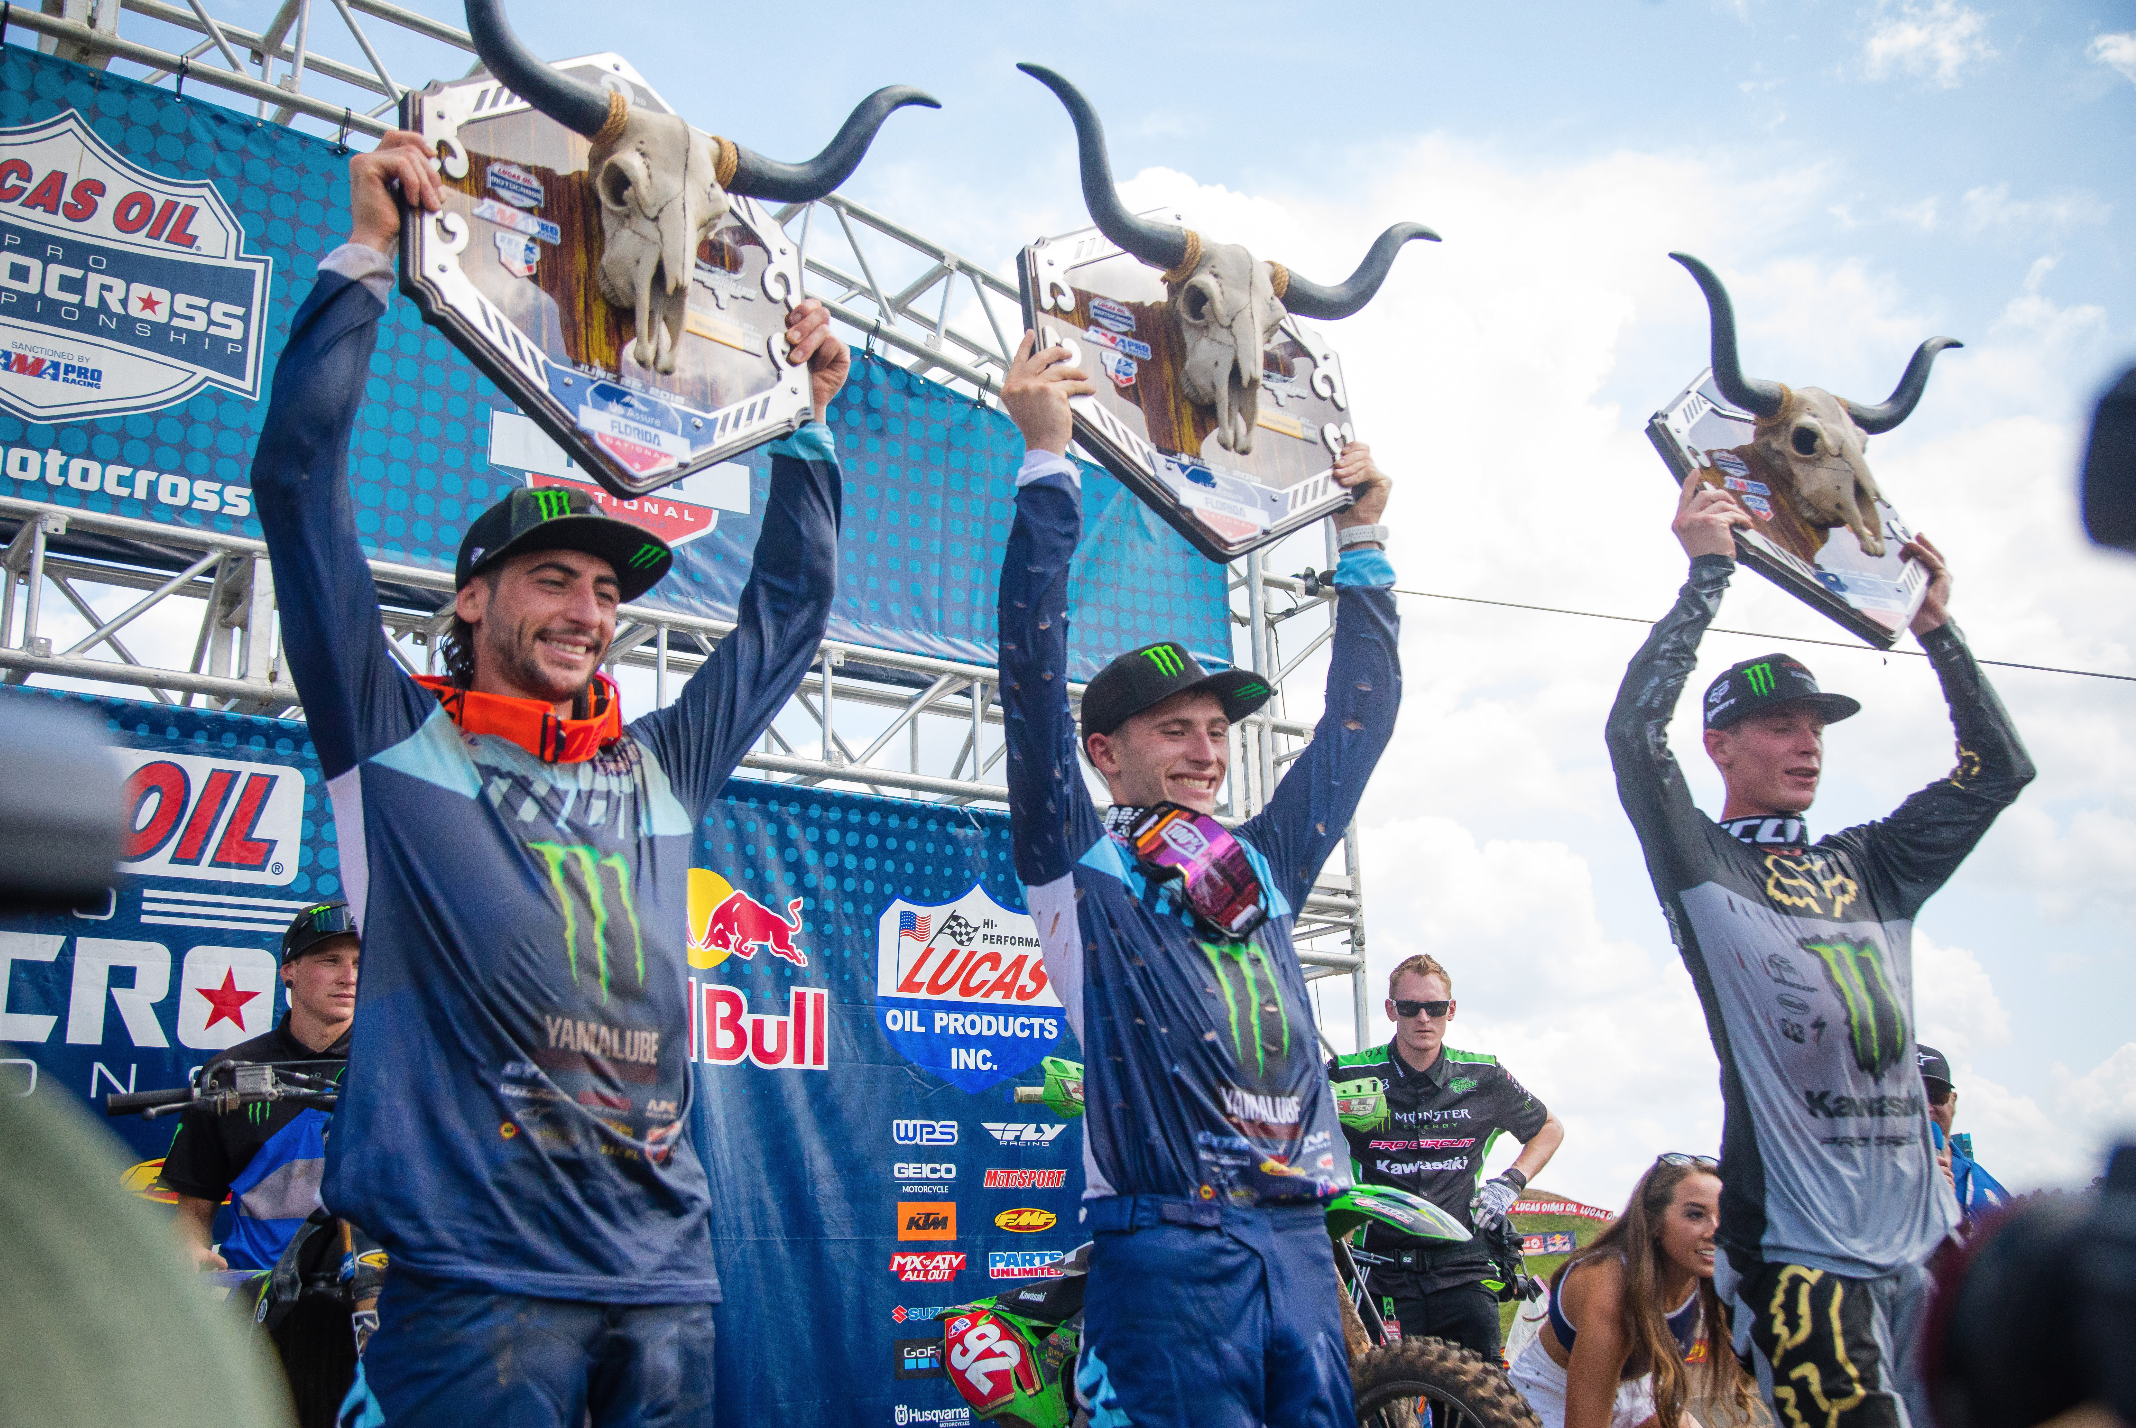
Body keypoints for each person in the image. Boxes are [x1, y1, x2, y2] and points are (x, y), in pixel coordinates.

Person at [247, 131, 850, 1426]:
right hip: (473, 1286)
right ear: (473, 599)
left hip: (664, 1276)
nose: (586, 608)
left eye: (604, 588)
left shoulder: (657, 768)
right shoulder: (394, 741)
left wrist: (808, 425)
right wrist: (362, 256)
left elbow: (786, 618)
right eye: (550, 578)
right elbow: (298, 490)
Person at [997, 331, 1399, 1428]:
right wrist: (1048, 463)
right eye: (1173, 729)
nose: (1206, 751)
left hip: (1298, 1243)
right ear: (1104, 751)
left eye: (1217, 731)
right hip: (1165, 1249)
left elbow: (1357, 729)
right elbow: (1030, 678)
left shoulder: (1259, 864)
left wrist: (1364, 545)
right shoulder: (1080, 864)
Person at [1604, 471, 2035, 1428]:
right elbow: (1634, 738)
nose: (1808, 745)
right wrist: (1705, 577)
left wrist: (1936, 630)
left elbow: (1998, 769)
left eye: (1817, 728)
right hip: (1802, 1255)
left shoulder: (1875, 862)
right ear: (1720, 747)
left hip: (1923, 1247)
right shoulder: (1703, 863)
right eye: (1779, 726)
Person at [1329, 953, 1566, 1361]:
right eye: (1410, 1007)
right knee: (1379, 1404)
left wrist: (1511, 1183)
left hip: (1462, 1268)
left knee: (1481, 1406)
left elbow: (1550, 1128)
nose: (1423, 1018)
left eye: (1435, 1007)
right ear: (1391, 1010)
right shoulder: (1347, 1074)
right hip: (1381, 1271)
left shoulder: (1483, 1076)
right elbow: (1292, 1131)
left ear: (1450, 1010)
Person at [161, 901, 360, 1274]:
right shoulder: (228, 1073)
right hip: (256, 1295)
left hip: (370, 1298)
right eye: (330, 961)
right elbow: (193, 1214)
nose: (348, 976)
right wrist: (189, 1252)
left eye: (359, 963)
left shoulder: (399, 1072)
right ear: (289, 971)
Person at [1506, 1155, 1755, 1428]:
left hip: (1636, 1389)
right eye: (1696, 1214)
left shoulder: (1709, 1276)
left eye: (1724, 1216)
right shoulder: (1610, 1288)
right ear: (1655, 1222)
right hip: (1552, 1393)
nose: (1715, 1231)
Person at [1917, 1044, 2010, 1226]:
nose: (1926, 1107)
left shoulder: (1986, 1185)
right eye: (1915, 1096)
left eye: (1936, 1096)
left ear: (1953, 1101)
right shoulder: (1865, 1184)